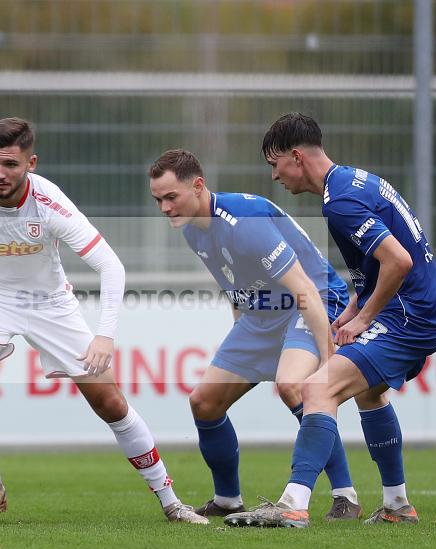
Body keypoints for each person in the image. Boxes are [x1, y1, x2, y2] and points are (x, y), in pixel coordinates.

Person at [0, 117, 207, 525]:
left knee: (109, 402)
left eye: (10, 164)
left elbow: (111, 268)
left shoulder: (49, 204)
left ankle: (170, 501)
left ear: (32, 163)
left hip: (49, 304)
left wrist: (105, 336)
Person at [224, 112, 436, 528]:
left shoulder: (341, 203)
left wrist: (365, 318)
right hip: (425, 305)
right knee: (369, 393)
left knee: (316, 389)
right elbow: (379, 266)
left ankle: (293, 504)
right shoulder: (352, 181)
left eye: (275, 165)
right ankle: (397, 506)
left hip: (411, 313)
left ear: (297, 157)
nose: (275, 176)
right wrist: (351, 312)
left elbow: (398, 261)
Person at [148, 149, 363, 523]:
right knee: (204, 402)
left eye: (171, 197)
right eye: (158, 200)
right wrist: (239, 336)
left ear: (198, 186)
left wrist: (328, 366)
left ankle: (345, 495)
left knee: (294, 386)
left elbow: (306, 291)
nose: (165, 208)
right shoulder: (193, 229)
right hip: (261, 314)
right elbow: (235, 285)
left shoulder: (243, 221)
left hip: (311, 300)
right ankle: (228, 498)